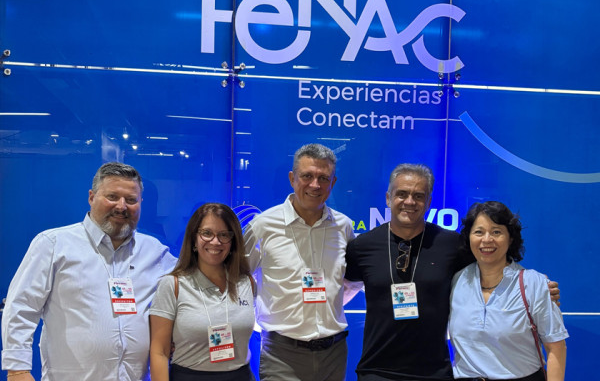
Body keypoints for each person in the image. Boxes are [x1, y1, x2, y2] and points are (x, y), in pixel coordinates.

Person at [344, 164, 560, 381]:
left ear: (429, 202)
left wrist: (537, 290)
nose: (409, 201)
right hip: (377, 370)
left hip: (435, 372)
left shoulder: (452, 245)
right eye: (402, 194)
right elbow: (340, 287)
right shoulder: (362, 246)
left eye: (418, 196)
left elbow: (492, 266)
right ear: (388, 198)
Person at [1, 162, 177, 381]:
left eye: (131, 200)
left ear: (141, 203)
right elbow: (21, 306)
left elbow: (192, 284)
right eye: (112, 197)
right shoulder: (53, 244)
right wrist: (17, 369)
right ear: (92, 197)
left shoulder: (155, 251)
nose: (121, 206)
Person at [244, 143, 355, 381]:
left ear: (333, 183)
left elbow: (352, 280)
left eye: (323, 178)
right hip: (281, 354)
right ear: (292, 178)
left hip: (333, 354)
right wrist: (255, 319)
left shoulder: (344, 227)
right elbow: (237, 278)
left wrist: (329, 305)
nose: (315, 185)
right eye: (307, 176)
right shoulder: (263, 225)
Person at [449, 201, 568, 380]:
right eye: (479, 232)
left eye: (496, 232)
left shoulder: (534, 283)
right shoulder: (457, 280)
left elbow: (556, 348)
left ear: (510, 238)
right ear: (469, 237)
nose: (487, 239)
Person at [149, 203, 255, 381]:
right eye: (207, 233)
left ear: (233, 241)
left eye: (224, 235)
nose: (215, 241)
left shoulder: (246, 282)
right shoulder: (173, 285)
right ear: (194, 239)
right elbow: (160, 351)